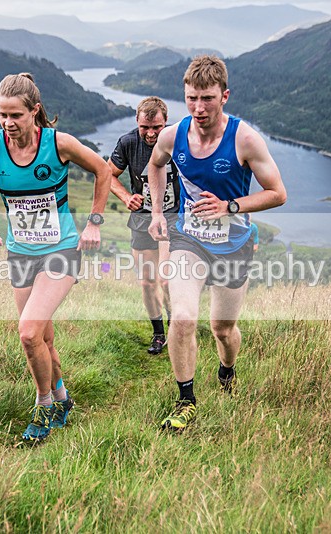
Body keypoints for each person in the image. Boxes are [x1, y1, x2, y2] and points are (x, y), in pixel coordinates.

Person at [0, 73, 112, 442]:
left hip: (61, 250)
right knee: (42, 339)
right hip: (20, 253)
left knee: (28, 333)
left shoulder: (58, 143)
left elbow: (102, 170)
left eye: (16, 115)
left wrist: (94, 223)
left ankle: (44, 407)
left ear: (35, 112)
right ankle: (62, 398)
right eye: (2, 115)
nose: (9, 124)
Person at [147, 55, 287, 431]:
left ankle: (227, 370)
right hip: (187, 240)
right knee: (184, 319)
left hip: (233, 243)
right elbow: (155, 165)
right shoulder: (173, 135)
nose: (198, 107)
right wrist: (158, 213)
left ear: (224, 95)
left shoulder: (244, 138)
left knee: (222, 328)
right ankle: (186, 400)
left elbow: (278, 193)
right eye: (191, 98)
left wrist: (230, 205)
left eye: (207, 98)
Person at [109, 96, 180, 355]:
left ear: (166, 123)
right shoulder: (128, 143)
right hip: (142, 219)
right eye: (145, 128)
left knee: (165, 279)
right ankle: (158, 334)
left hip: (173, 217)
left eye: (156, 128)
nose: (150, 134)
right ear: (137, 122)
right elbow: (109, 175)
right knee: (147, 282)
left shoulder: (177, 140)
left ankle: (177, 325)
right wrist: (127, 197)